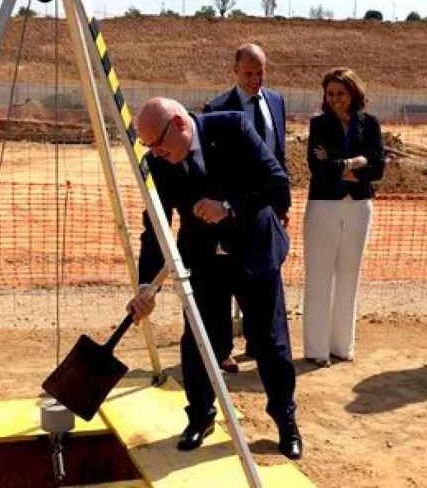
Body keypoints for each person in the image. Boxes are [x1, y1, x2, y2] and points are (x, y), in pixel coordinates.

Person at [127, 97, 302, 460]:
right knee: (202, 342)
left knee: (269, 342)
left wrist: (229, 208)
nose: (156, 153)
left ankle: (285, 420)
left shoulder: (233, 128)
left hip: (254, 248)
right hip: (204, 260)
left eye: (159, 143)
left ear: (178, 124)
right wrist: (146, 286)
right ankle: (201, 416)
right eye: (149, 147)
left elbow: (278, 186)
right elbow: (154, 229)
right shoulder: (157, 164)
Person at [203, 43, 289, 374]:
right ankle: (223, 349)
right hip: (231, 209)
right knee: (227, 277)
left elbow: (278, 156)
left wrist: (283, 203)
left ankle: (259, 340)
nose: (255, 79)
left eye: (260, 73)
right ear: (235, 71)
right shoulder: (218, 107)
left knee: (265, 272)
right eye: (249, 73)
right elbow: (212, 166)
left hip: (266, 208)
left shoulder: (276, 102)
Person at [302, 68, 385, 367]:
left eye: (341, 92)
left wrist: (339, 165)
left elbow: (378, 169)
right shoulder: (319, 124)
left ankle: (342, 345)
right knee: (319, 276)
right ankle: (316, 349)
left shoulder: (370, 124)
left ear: (353, 93)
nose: (336, 99)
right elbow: (317, 167)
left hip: (359, 205)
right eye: (330, 93)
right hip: (324, 205)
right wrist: (355, 163)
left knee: (349, 275)